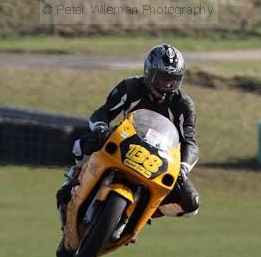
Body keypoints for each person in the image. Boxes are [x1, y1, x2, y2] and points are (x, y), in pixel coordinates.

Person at [56, 43, 199, 225]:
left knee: (191, 205)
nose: (167, 84)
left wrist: (183, 168)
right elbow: (102, 113)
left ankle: (145, 211)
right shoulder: (130, 87)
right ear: (149, 73)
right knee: (80, 146)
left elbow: (190, 143)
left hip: (160, 158)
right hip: (125, 140)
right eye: (162, 78)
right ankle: (71, 184)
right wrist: (101, 129)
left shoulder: (184, 104)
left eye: (173, 79)